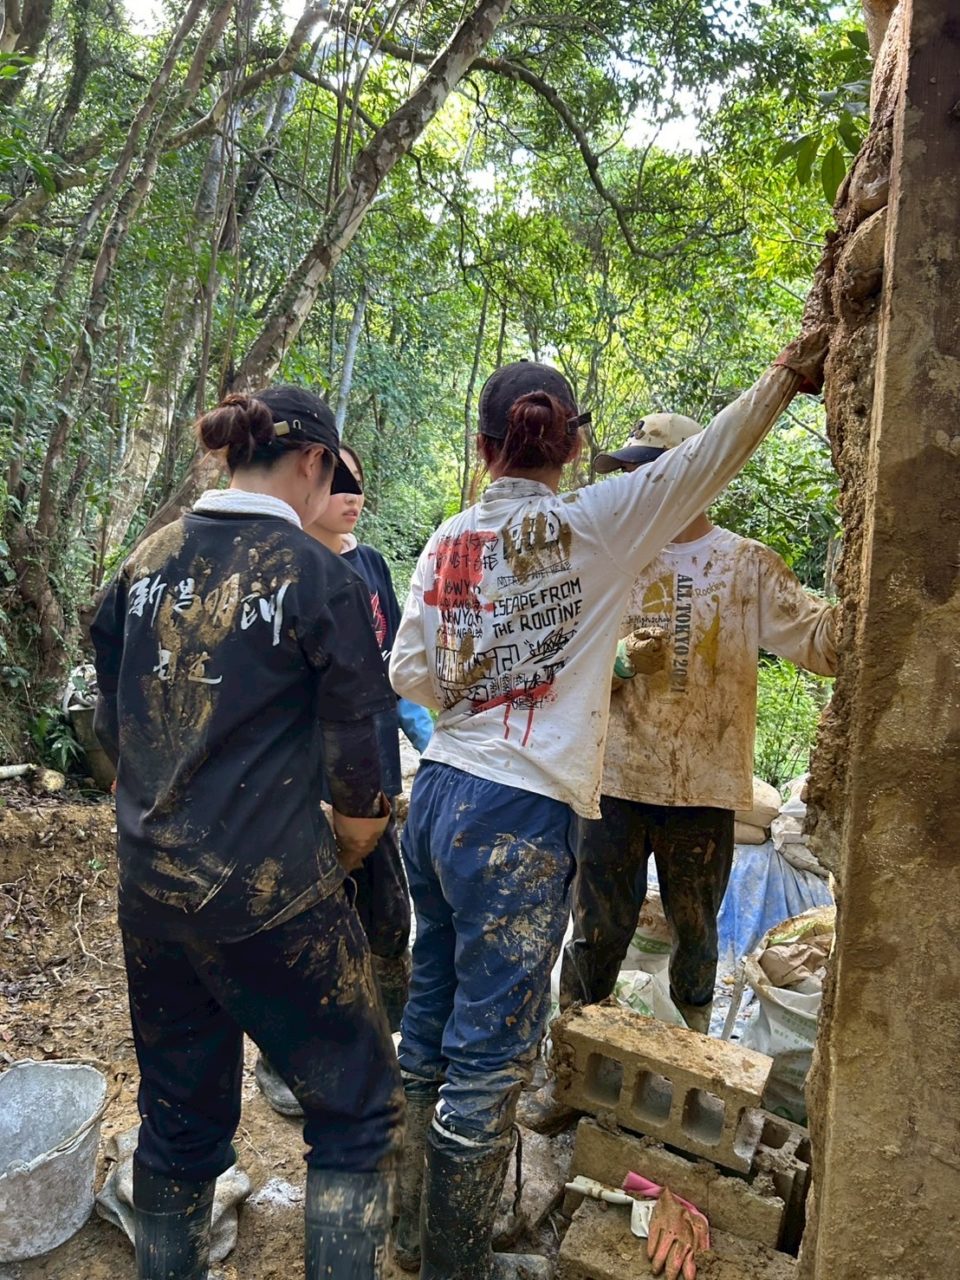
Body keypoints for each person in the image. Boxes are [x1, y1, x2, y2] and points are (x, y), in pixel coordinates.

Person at [387, 316, 827, 1279]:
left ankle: (409, 1235)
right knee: (488, 1059)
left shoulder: (450, 538)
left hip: (441, 798)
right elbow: (704, 460)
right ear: (575, 446)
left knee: (428, 1020)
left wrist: (495, 667)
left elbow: (409, 675)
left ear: (482, 446)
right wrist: (788, 373)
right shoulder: (594, 524)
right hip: (517, 817)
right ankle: (458, 1268)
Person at [90, 386, 402, 1280]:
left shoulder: (145, 560)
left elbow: (111, 732)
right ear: (314, 463)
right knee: (355, 1109)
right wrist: (342, 852)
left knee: (178, 1122)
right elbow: (362, 785)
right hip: (273, 899)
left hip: (151, 896)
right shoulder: (318, 576)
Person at [520, 409, 838, 1133]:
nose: (639, 487)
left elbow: (819, 642)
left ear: (697, 479)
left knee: (696, 934)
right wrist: (617, 664)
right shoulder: (609, 557)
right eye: (633, 475)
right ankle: (569, 1074)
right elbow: (554, 666)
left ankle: (686, 1077)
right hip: (613, 781)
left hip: (703, 789)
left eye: (653, 473)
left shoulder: (745, 564)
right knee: (597, 930)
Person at [255, 440, 430, 1115]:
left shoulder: (371, 565)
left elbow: (389, 671)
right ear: (309, 482)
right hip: (305, 790)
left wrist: (427, 740)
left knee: (388, 920)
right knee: (305, 928)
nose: (352, 495)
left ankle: (377, 1045)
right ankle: (283, 1060)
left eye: (359, 482)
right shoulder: (283, 571)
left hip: (371, 780)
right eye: (339, 481)